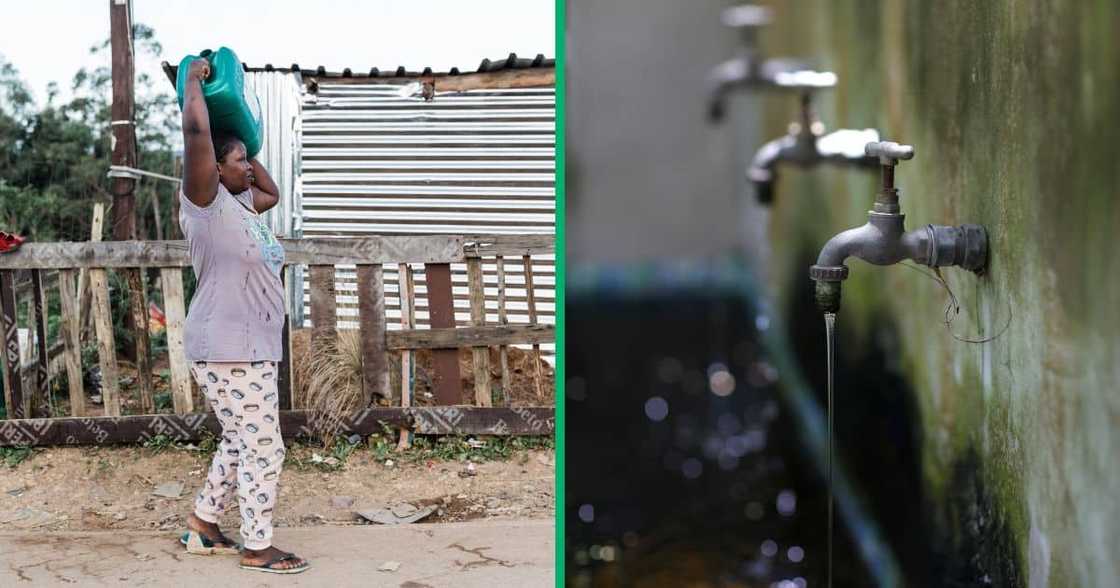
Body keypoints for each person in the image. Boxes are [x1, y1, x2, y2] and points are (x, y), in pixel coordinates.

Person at [177, 57, 309, 575]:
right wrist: (193, 81)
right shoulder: (203, 203)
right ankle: (257, 547)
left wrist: (249, 143)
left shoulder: (245, 208)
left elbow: (272, 192)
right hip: (228, 345)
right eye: (236, 162)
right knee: (264, 447)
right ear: (213, 168)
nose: (248, 169)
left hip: (253, 346)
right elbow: (195, 132)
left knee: (240, 438)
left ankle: (203, 526)